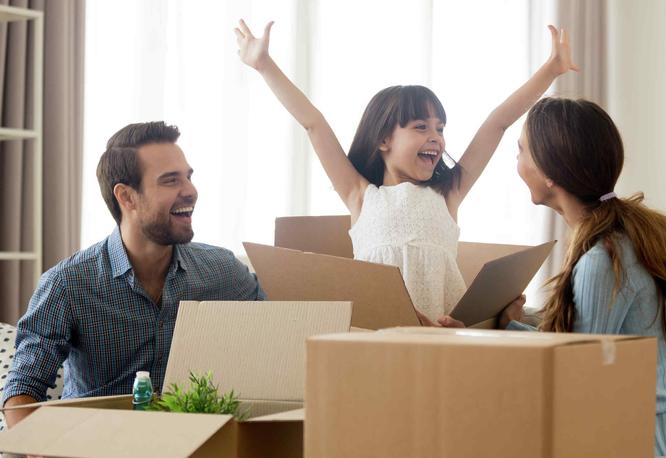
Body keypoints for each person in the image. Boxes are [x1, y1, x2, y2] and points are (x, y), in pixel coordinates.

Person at [235, 20, 578, 323]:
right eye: (421, 127)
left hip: (443, 336)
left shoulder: (449, 193)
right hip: (380, 336)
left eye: (440, 128)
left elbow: (498, 122)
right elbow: (313, 123)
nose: (436, 138)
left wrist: (551, 70)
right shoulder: (360, 195)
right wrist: (264, 65)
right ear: (384, 139)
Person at [2, 122, 265, 428]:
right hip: (95, 445)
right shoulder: (68, 284)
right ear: (126, 197)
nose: (190, 191)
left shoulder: (224, 272)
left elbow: (284, 333)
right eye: (170, 181)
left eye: (188, 177)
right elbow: (22, 391)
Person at [488, 98, 666, 457]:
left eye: (520, 151)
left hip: (648, 442)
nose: (517, 164)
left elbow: (575, 375)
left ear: (548, 170)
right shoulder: (640, 235)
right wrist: (512, 326)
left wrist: (508, 329)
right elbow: (586, 350)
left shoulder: (604, 260)